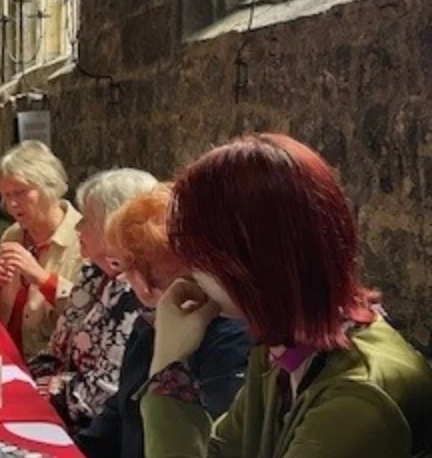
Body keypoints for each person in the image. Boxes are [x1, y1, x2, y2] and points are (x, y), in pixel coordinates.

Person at [142, 134, 432, 457]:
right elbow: (218, 451)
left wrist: (167, 365)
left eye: (200, 256)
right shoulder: (287, 352)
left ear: (252, 260)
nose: (189, 273)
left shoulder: (355, 399)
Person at [75, 185, 250, 458]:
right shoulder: (149, 321)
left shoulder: (232, 341)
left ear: (144, 281)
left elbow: (207, 445)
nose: (120, 280)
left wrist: (167, 364)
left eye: (121, 267)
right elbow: (120, 410)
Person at [28, 168, 157, 431]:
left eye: (85, 219)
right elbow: (54, 352)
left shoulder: (137, 292)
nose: (77, 227)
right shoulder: (92, 273)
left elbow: (101, 395)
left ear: (112, 226)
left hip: (91, 433)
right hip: (56, 409)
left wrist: (36, 392)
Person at [0, 141, 85, 359]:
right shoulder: (13, 235)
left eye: (20, 192)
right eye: (6, 195)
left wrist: (41, 278)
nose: (12, 204)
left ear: (49, 187)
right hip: (0, 355)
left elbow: (88, 316)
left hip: (48, 365)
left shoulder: (83, 239)